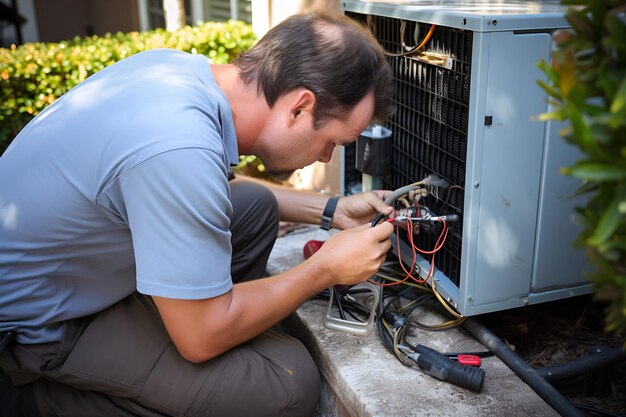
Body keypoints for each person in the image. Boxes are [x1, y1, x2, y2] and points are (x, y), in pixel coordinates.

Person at [0, 12, 395, 417]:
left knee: (255, 207)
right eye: (331, 141)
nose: (327, 155)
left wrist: (331, 210)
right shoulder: (180, 147)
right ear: (300, 108)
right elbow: (200, 338)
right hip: (40, 328)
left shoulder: (180, 74)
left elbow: (208, 191)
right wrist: (324, 269)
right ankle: (41, 397)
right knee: (287, 382)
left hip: (72, 272)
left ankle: (194, 329)